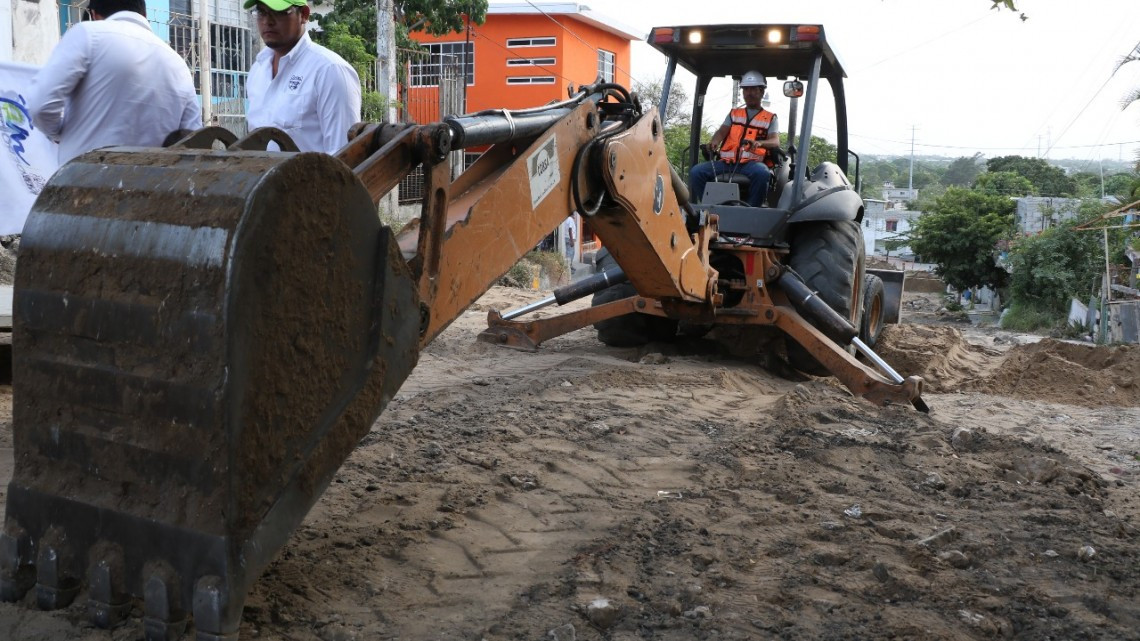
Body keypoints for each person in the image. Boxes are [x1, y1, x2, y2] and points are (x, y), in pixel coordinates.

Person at [26, 0, 202, 165]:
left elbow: (41, 106)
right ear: (143, 13)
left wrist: (60, 134)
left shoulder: (88, 35)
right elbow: (192, 138)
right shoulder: (178, 64)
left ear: (93, 14)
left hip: (82, 185)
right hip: (150, 190)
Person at [244, 0, 361, 154]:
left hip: (310, 178)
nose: (267, 21)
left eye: (279, 12)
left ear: (304, 15)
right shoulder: (257, 70)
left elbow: (343, 157)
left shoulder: (330, 71)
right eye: (261, 12)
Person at [688, 70, 781, 207]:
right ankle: (710, 207)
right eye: (745, 89)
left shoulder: (770, 118)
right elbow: (721, 132)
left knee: (762, 173)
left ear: (761, 92)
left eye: (753, 89)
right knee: (696, 172)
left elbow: (775, 141)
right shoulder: (734, 113)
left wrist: (759, 143)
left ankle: (751, 210)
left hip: (751, 164)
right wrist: (714, 142)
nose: (749, 93)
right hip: (727, 163)